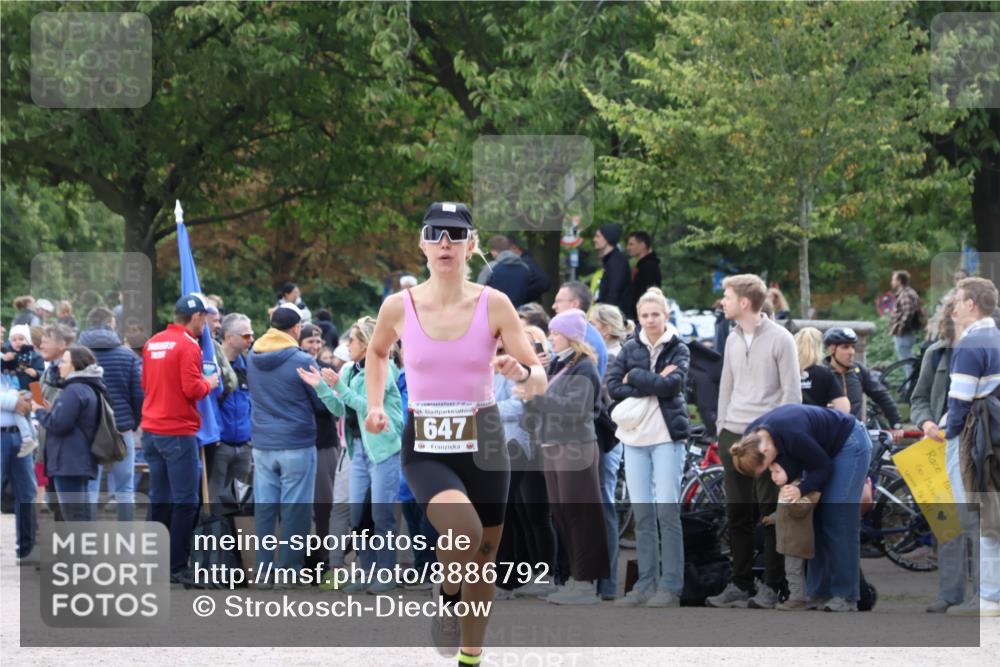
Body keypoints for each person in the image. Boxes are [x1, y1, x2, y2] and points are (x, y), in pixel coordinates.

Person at [363, 201, 546, 663]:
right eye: (436, 232)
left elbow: (538, 376)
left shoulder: (495, 304)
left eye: (455, 234)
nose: (446, 242)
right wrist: (375, 402)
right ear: (422, 243)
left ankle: (470, 657)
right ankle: (446, 594)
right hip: (426, 445)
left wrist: (519, 374)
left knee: (484, 561)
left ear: (472, 245)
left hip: (484, 443)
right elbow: (378, 353)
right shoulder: (397, 306)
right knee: (461, 530)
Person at [707, 274, 801, 610]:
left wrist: (778, 438)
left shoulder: (781, 339)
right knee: (736, 513)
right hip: (732, 432)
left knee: (771, 513)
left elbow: (792, 394)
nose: (723, 302)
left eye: (727, 296)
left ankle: (772, 585)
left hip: (767, 435)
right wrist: (721, 428)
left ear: (745, 302)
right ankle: (740, 582)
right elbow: (726, 387)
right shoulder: (731, 338)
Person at [731, 404, 873, 612]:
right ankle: (818, 592)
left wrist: (801, 489)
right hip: (820, 450)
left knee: (837, 517)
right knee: (814, 517)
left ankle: (846, 595)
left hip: (849, 443)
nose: (767, 472)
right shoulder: (751, 439)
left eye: (766, 467)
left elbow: (822, 466)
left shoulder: (793, 434)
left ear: (766, 451)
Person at [607, 288, 690, 608]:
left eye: (656, 314)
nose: (651, 320)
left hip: (667, 437)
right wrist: (653, 379)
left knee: (667, 513)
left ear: (666, 316)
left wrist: (636, 377)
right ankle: (644, 583)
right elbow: (614, 387)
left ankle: (670, 586)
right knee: (642, 515)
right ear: (638, 318)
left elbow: (674, 386)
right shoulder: (629, 346)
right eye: (645, 315)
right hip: (636, 437)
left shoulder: (679, 347)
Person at [521, 309, 608, 606]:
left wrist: (538, 398)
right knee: (561, 514)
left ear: (570, 336)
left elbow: (576, 409)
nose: (550, 338)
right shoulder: (558, 364)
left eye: (555, 334)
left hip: (575, 447)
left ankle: (586, 582)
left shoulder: (584, 367)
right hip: (553, 446)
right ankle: (575, 577)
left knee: (579, 515)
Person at [140, 294, 220, 581]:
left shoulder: (153, 342)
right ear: (197, 317)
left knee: (159, 497)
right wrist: (209, 383)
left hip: (151, 430)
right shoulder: (188, 345)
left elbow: (145, 384)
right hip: (177, 430)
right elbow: (192, 389)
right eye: (205, 318)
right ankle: (175, 566)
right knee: (186, 500)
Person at [247, 304, 329, 575]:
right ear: (295, 329)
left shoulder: (252, 355)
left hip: (262, 442)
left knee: (266, 509)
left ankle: (263, 569)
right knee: (295, 510)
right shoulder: (301, 360)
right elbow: (320, 403)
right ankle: (289, 570)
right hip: (297, 442)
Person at [942, 277, 1000, 616]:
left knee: (978, 516)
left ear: (971, 305)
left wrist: (948, 434)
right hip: (995, 437)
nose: (953, 306)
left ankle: (990, 597)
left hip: (975, 440)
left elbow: (961, 400)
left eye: (958, 299)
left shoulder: (971, 344)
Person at [910, 296, 970, 613]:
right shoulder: (935, 354)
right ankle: (950, 594)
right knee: (948, 523)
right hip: (941, 449)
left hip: (981, 447)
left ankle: (987, 595)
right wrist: (926, 421)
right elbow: (918, 399)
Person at [78, 307, 143, 521]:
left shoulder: (76, 355)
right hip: (120, 428)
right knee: (125, 487)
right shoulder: (127, 355)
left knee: (89, 486)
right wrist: (133, 422)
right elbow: (138, 394)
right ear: (110, 324)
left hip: (87, 429)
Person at [586, 303, 631, 601]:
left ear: (603, 327)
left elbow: (605, 402)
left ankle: (608, 581)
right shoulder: (601, 357)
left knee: (604, 504)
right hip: (600, 437)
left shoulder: (613, 359)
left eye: (591, 324)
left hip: (608, 438)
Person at [33, 346, 108, 522]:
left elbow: (58, 425)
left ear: (75, 365)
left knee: (74, 517)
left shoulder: (74, 390)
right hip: (79, 460)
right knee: (81, 514)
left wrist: (39, 411)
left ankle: (79, 549)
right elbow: (72, 419)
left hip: (68, 462)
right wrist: (53, 411)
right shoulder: (89, 386)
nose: (60, 366)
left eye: (64, 362)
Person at [297, 322, 341, 577]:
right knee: (300, 506)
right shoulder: (297, 369)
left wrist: (324, 395)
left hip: (325, 444)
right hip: (300, 444)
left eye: (317, 342)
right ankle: (302, 557)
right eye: (309, 341)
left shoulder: (328, 370)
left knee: (325, 504)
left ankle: (325, 558)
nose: (314, 346)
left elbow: (329, 406)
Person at [823, 327, 905, 439]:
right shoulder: (821, 373)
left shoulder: (859, 370)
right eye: (845, 347)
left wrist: (896, 423)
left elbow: (881, 395)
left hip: (855, 436)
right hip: (828, 436)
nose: (851, 352)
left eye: (853, 346)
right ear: (832, 349)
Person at [209, 313, 254, 508]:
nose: (251, 339)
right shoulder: (211, 366)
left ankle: (232, 539)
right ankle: (211, 538)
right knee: (213, 501)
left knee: (237, 504)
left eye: (251, 334)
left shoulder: (248, 366)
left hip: (244, 446)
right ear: (228, 337)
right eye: (245, 335)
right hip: (220, 445)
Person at [763, 462, 821, 612]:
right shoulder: (787, 489)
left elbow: (800, 510)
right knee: (792, 570)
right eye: (771, 472)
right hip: (789, 540)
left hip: (796, 541)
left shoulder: (802, 489)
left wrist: (790, 501)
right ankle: (798, 596)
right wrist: (774, 517)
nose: (773, 476)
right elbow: (783, 512)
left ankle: (797, 598)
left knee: (793, 571)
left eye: (777, 472)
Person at [1, 373, 36, 563]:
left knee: (27, 494)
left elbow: (35, 391)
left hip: (21, 436)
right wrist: (14, 401)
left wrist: (26, 398)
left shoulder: (12, 368)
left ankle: (27, 550)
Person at [552, 281, 608, 376]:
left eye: (558, 301)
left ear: (574, 304)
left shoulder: (584, 339)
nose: (554, 306)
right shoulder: (587, 333)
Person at [794, 327, 849, 413]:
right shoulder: (824, 374)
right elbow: (844, 408)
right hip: (817, 424)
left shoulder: (787, 372)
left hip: (790, 423)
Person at [484, 235, 532, 308]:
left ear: (494, 251)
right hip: (517, 313)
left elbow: (478, 292)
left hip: (493, 312)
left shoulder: (491, 267)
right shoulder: (525, 268)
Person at [594, 223, 630, 314]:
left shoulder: (616, 262)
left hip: (614, 318)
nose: (594, 239)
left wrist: (605, 315)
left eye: (598, 236)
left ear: (607, 239)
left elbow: (614, 293)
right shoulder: (611, 261)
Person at [889, 270, 924, 360]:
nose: (891, 282)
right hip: (908, 332)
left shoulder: (905, 294)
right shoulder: (909, 292)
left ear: (899, 281)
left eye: (893, 280)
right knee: (907, 358)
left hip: (904, 333)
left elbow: (908, 312)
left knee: (906, 361)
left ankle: (912, 374)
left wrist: (901, 327)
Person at [625, 231, 661, 320]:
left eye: (631, 244)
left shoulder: (649, 267)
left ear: (642, 245)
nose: (628, 247)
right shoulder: (642, 265)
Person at [507, 233, 551, 304]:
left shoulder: (526, 263)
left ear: (515, 248)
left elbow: (544, 283)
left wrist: (523, 292)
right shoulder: (527, 261)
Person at [2, 324, 45, 393]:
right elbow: (3, 370)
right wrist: (4, 360)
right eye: (14, 340)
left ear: (28, 340)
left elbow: (43, 372)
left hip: (30, 389)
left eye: (21, 339)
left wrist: (36, 373)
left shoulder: (36, 356)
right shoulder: (9, 354)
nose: (17, 342)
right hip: (11, 388)